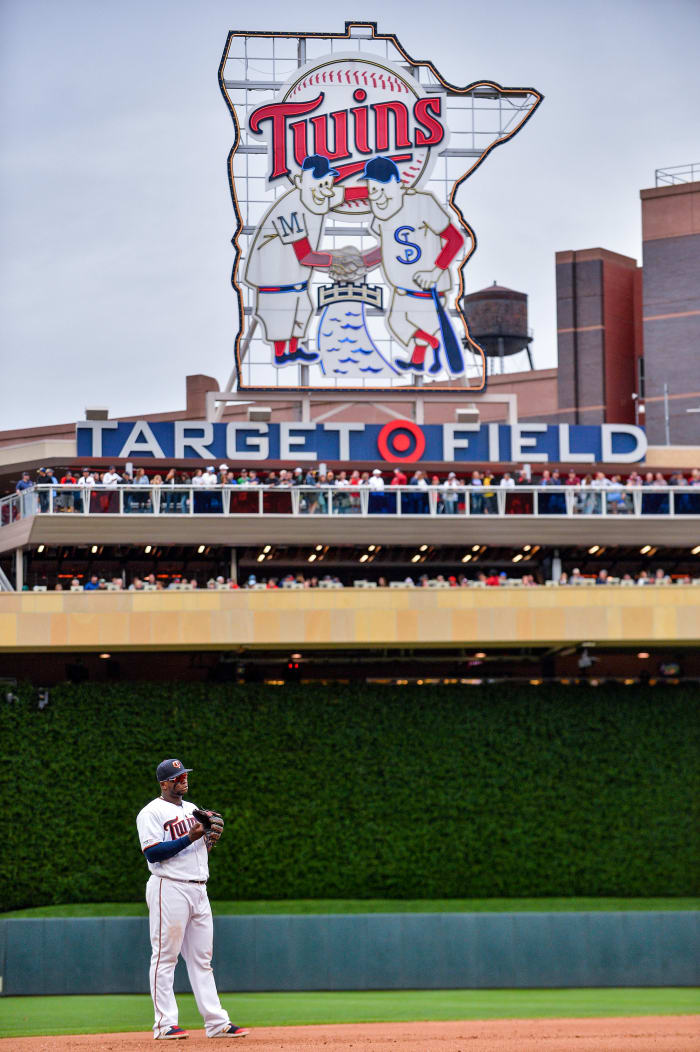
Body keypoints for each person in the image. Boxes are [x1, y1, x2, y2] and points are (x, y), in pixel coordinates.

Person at [136, 758, 249, 1041]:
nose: (183, 779)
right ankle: (164, 1025)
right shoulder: (151, 812)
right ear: (164, 784)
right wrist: (190, 837)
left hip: (199, 889)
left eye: (184, 774)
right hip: (169, 887)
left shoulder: (192, 809)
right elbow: (152, 853)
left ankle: (216, 1023)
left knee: (202, 959)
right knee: (165, 957)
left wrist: (207, 840)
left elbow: (199, 846)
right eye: (177, 777)